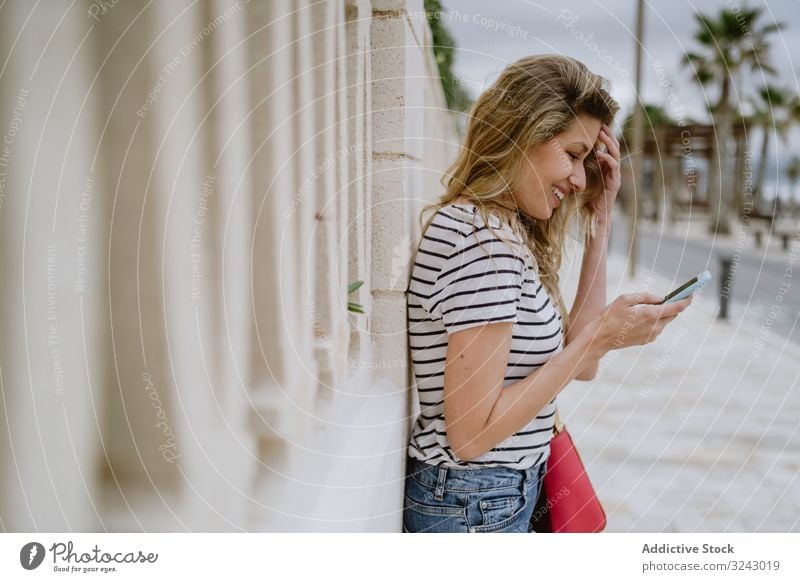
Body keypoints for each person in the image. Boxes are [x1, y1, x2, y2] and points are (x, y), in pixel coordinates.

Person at [403, 55, 692, 533]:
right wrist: (598, 337)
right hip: (474, 501)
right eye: (572, 155)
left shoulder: (506, 230)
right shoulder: (481, 245)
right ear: (522, 134)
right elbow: (471, 436)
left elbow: (583, 366)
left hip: (495, 493)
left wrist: (600, 220)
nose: (579, 179)